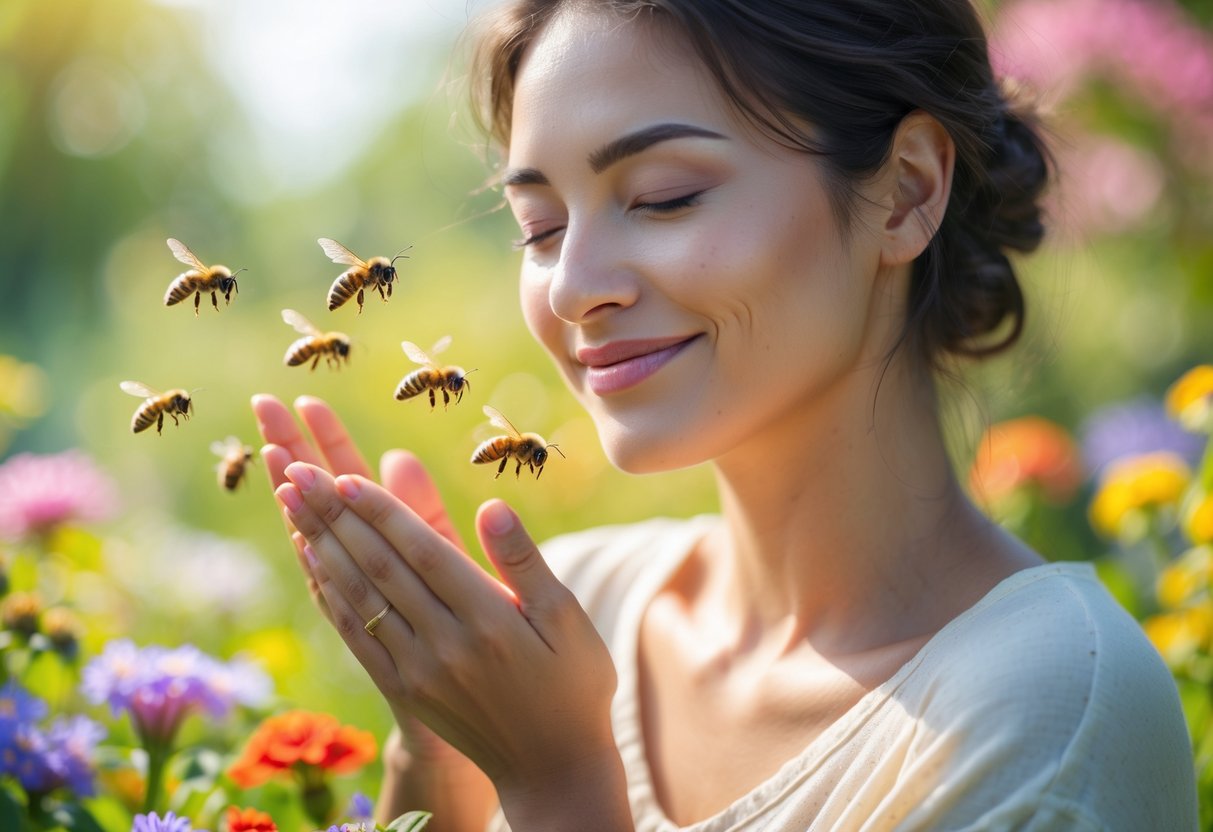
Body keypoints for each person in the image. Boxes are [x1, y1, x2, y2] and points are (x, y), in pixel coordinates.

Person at [251, 0, 1198, 829]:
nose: (574, 286)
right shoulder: (572, 617)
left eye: (664, 199)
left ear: (905, 190)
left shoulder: (1047, 705)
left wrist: (558, 784)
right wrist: (441, 752)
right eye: (539, 228)